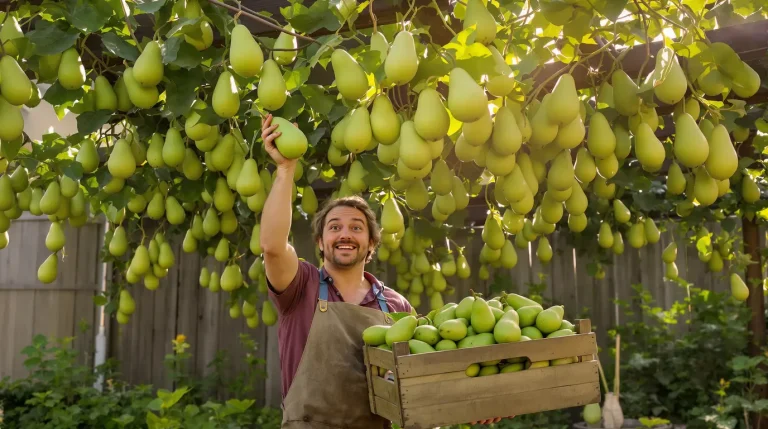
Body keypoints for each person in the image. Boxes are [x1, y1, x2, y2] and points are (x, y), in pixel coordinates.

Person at [259, 114, 510, 428]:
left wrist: (474, 402)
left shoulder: (396, 306)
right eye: (334, 227)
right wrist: (285, 170)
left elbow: (414, 382)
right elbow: (271, 246)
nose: (345, 234)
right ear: (321, 244)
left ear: (371, 243)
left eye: (356, 227)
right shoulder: (300, 286)